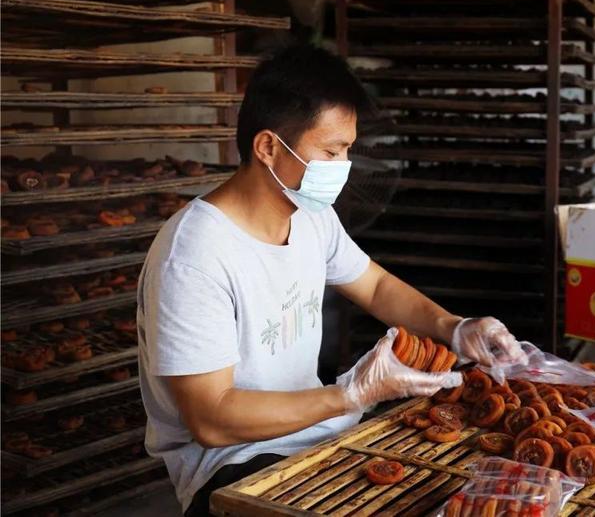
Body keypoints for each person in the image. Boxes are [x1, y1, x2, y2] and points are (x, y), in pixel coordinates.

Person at [137, 45, 526, 516]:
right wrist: (350, 394)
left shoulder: (309, 214)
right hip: (234, 462)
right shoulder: (195, 255)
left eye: (347, 150)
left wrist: (455, 327)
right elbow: (211, 420)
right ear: (266, 147)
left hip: (323, 430)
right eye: (331, 151)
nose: (343, 166)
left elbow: (377, 287)